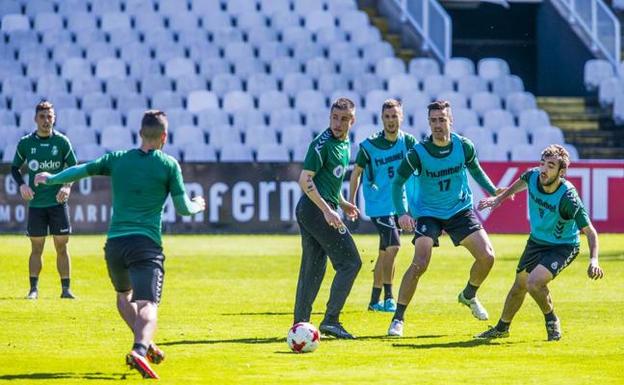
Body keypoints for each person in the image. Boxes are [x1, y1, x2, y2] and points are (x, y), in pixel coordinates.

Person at [34, 110, 205, 379]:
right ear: (164, 136)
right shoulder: (168, 165)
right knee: (148, 303)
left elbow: (83, 170)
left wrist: (53, 178)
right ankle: (139, 349)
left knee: (123, 296)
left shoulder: (117, 160)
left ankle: (145, 343)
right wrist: (198, 205)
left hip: (114, 244)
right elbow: (183, 208)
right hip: (145, 245)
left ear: (139, 133)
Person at [387, 100, 504, 337]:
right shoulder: (418, 152)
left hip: (459, 209)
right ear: (428, 122)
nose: (437, 124)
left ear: (451, 120)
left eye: (442, 119)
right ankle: (397, 318)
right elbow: (398, 181)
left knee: (487, 257)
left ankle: (468, 295)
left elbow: (475, 170)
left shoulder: (464, 146)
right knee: (420, 263)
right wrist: (402, 212)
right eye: (433, 120)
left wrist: (493, 191)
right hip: (428, 213)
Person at [475, 144, 604, 341]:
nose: (543, 169)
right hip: (536, 241)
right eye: (542, 163)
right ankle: (502, 328)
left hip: (563, 246)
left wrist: (594, 260)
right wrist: (499, 199)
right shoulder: (533, 176)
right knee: (519, 286)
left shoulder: (568, 198)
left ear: (562, 172)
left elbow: (590, 232)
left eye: (551, 166)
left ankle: (552, 321)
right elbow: (520, 183)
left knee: (534, 283)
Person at [293, 97, 362, 339]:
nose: (338, 123)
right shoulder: (322, 145)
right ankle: (331, 320)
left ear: (352, 121)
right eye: (334, 118)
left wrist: (342, 203)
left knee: (313, 267)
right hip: (314, 210)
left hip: (315, 209)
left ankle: (299, 325)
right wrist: (327, 209)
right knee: (351, 262)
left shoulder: (345, 144)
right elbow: (305, 179)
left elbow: (328, 182)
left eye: (344, 119)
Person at [348, 99, 417, 313]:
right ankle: (389, 298)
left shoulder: (408, 142)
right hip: (378, 205)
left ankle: (373, 301)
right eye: (387, 116)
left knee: (385, 252)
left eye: (394, 116)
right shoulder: (369, 146)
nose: (390, 121)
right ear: (382, 118)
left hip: (399, 205)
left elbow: (420, 168)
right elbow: (356, 173)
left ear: (401, 117)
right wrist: (350, 201)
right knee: (394, 247)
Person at [11, 100, 77, 299]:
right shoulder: (25, 143)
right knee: (36, 247)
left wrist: (66, 186)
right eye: (42, 117)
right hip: (37, 204)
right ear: (35, 119)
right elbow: (15, 168)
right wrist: (22, 185)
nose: (46, 121)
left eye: (50, 117)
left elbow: (74, 169)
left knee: (61, 246)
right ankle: (33, 289)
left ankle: (66, 290)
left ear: (54, 118)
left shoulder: (62, 142)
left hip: (58, 203)